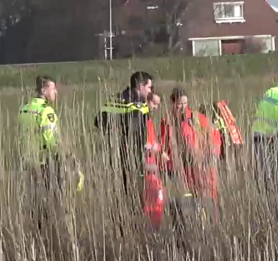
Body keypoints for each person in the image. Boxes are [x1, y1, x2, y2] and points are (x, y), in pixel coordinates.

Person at [157, 86, 223, 214]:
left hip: (202, 167)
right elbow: (163, 145)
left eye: (185, 103)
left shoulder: (197, 118)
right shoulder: (167, 122)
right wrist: (166, 162)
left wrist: (213, 154)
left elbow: (214, 135)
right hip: (180, 170)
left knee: (207, 202)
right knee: (184, 204)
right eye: (180, 103)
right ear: (173, 102)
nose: (183, 106)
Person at [95, 71, 157, 191]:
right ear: (140, 86)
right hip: (132, 157)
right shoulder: (137, 104)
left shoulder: (117, 97)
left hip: (114, 156)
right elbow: (135, 133)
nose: (150, 91)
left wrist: (113, 132)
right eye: (149, 87)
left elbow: (98, 121)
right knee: (135, 191)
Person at [20, 75, 75, 191]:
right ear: (43, 91)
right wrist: (68, 157)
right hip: (44, 164)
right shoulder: (46, 111)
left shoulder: (25, 109)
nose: (56, 92)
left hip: (28, 162)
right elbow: (53, 141)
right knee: (52, 201)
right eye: (53, 88)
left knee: (34, 201)